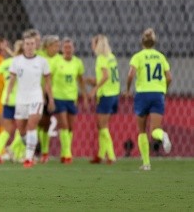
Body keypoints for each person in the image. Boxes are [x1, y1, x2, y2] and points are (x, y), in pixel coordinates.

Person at [125, 28, 172, 171]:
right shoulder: (160, 57)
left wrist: (127, 90)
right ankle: (162, 135)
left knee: (142, 130)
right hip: (158, 94)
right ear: (154, 42)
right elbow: (169, 77)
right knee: (155, 130)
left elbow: (131, 75)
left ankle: (146, 163)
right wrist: (164, 90)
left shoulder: (138, 57)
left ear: (142, 42)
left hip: (142, 94)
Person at [6, 35, 54, 168]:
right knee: (21, 130)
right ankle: (33, 146)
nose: (29, 46)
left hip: (36, 98)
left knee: (32, 126)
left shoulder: (42, 62)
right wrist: (8, 95)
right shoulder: (16, 61)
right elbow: (12, 80)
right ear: (23, 45)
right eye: (27, 43)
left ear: (36, 46)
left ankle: (28, 158)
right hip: (21, 99)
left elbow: (48, 83)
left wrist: (50, 99)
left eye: (32, 44)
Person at [51, 37, 87, 164]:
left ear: (73, 49)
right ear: (62, 49)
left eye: (69, 47)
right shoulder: (56, 62)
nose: (67, 50)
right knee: (64, 125)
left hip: (72, 98)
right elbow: (48, 79)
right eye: (65, 47)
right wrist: (49, 97)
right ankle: (67, 153)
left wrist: (85, 96)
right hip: (59, 97)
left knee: (71, 127)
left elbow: (81, 80)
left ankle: (64, 152)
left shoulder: (78, 63)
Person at [86, 34, 120, 164]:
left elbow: (105, 76)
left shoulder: (101, 58)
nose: (91, 46)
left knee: (102, 125)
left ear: (97, 45)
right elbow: (108, 77)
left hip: (106, 95)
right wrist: (91, 81)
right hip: (114, 94)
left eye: (93, 43)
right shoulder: (112, 57)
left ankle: (111, 155)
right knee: (100, 125)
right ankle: (100, 154)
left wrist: (94, 89)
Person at [0, 40, 24, 163]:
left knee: (7, 128)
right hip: (21, 99)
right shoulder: (25, 64)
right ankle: (17, 153)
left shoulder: (6, 63)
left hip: (7, 98)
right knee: (22, 128)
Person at [37, 35, 60, 163]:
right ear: (48, 46)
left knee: (46, 124)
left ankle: (44, 152)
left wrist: (50, 97)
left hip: (49, 94)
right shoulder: (39, 55)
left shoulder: (58, 60)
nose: (57, 48)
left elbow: (49, 81)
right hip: (34, 93)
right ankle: (26, 149)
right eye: (55, 45)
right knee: (33, 122)